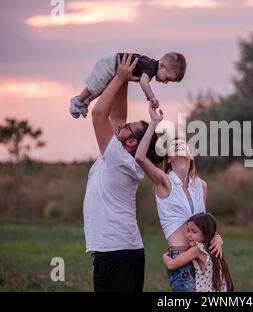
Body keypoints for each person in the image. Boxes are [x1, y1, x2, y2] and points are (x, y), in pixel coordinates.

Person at [82, 54, 162, 292]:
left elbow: (99, 115)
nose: (121, 127)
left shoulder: (119, 158)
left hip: (117, 252)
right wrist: (125, 77)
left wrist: (118, 77)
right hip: (120, 250)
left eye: (128, 129)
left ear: (130, 142)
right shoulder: (124, 154)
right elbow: (117, 117)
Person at [134, 102, 224, 292]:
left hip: (202, 257)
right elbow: (140, 158)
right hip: (180, 259)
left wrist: (216, 237)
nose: (178, 144)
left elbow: (202, 225)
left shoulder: (201, 186)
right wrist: (154, 123)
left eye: (182, 143)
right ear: (168, 158)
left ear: (191, 155)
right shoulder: (164, 182)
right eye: (173, 145)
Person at [69, 51, 186, 118]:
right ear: (162, 66)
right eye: (167, 78)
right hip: (112, 63)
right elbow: (143, 82)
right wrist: (151, 97)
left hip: (115, 66)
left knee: (103, 88)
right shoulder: (151, 68)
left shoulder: (150, 66)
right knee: (96, 85)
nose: (165, 82)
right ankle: (78, 100)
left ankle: (85, 102)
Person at [162, 213, 234, 292]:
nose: (189, 235)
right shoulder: (214, 247)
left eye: (194, 232)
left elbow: (171, 264)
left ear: (206, 233)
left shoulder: (198, 250)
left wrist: (165, 256)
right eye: (188, 230)